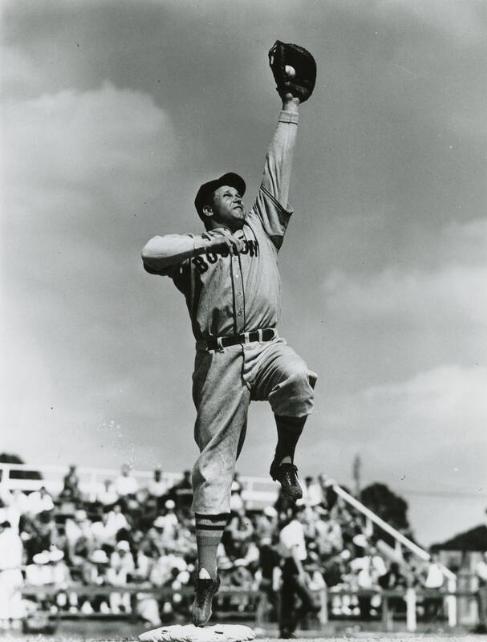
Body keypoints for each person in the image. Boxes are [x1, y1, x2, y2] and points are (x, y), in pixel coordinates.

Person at [141, 45, 316, 627]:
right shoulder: (194, 254)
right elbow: (149, 253)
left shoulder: (263, 229)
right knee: (213, 465)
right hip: (217, 359)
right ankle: (206, 578)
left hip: (265, 346)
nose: (236, 194)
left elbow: (275, 171)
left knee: (298, 377)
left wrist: (290, 106)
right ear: (206, 210)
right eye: (224, 192)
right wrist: (206, 243)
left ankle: (284, 460)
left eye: (235, 191)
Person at [278, 503, 319, 638]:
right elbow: (294, 550)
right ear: (300, 513)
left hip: (289, 566)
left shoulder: (288, 528)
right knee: (311, 603)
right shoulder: (296, 528)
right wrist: (301, 572)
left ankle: (286, 629)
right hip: (295, 566)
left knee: (288, 601)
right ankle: (289, 626)